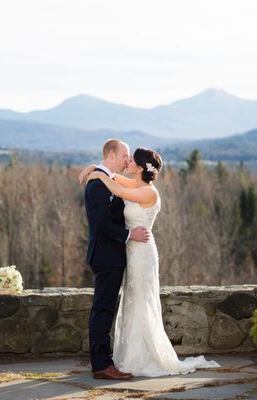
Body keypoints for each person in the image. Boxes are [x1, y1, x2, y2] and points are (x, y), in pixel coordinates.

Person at [80, 147, 220, 377]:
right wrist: (94, 168)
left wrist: (97, 174)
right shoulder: (138, 185)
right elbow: (115, 179)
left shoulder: (149, 193)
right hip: (130, 250)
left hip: (142, 251)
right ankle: (128, 356)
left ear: (141, 167)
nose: (128, 162)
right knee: (132, 302)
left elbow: (114, 186)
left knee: (141, 301)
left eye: (132, 160)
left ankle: (143, 356)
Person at [83, 139, 151, 380]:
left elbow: (123, 191)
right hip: (106, 255)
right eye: (124, 155)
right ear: (111, 154)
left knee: (105, 309)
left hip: (113, 255)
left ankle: (102, 361)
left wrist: (93, 169)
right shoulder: (98, 185)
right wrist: (130, 234)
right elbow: (102, 225)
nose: (127, 160)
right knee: (103, 310)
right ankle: (101, 364)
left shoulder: (105, 180)